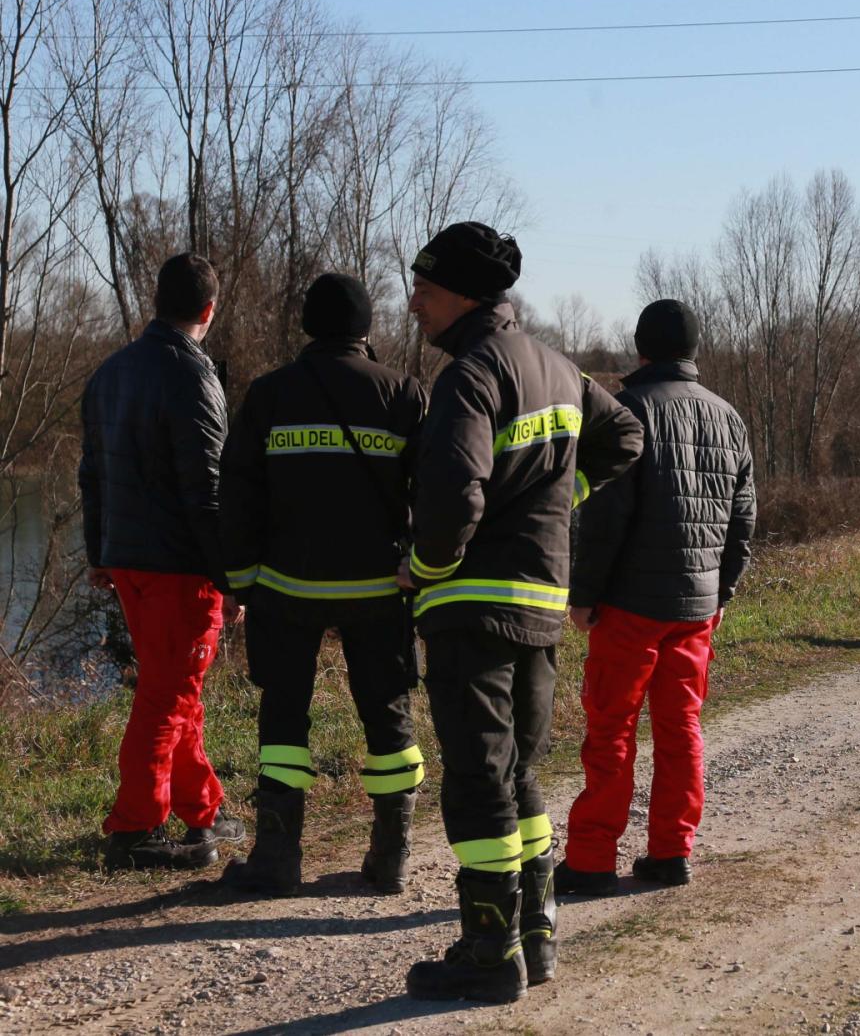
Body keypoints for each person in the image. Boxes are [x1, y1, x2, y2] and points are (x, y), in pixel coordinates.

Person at [399, 222, 643, 1003]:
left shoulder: (470, 374)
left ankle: (485, 955)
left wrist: (425, 567)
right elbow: (625, 436)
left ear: (467, 295)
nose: (413, 303)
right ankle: (533, 938)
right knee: (517, 773)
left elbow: (450, 498)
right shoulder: (556, 367)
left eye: (426, 290)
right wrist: (555, 499)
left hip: (473, 605)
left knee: (476, 779)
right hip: (539, 603)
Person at [217, 274, 429, 897]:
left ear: (308, 325)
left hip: (286, 589)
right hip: (379, 589)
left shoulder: (270, 394)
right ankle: (391, 857)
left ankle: (277, 860)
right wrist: (419, 563)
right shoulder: (402, 395)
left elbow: (237, 496)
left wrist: (240, 580)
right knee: (389, 716)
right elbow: (434, 488)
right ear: (366, 328)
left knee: (283, 716)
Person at [556, 299, 756, 897]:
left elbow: (604, 519)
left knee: (612, 731)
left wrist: (584, 595)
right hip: (695, 609)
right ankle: (671, 852)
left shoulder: (629, 411)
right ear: (693, 351)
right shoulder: (730, 417)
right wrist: (722, 592)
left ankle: (591, 861)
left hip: (629, 607)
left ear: (640, 348)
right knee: (681, 730)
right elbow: (743, 520)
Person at [79, 252, 246, 870]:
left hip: (129, 561)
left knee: (174, 688)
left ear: (158, 302)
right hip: (179, 565)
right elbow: (206, 489)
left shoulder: (110, 372)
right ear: (208, 309)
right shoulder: (193, 376)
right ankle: (135, 830)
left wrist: (100, 551)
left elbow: (90, 473)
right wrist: (230, 578)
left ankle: (199, 809)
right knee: (167, 697)